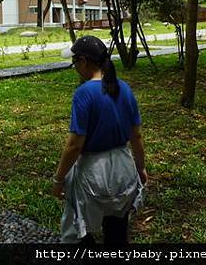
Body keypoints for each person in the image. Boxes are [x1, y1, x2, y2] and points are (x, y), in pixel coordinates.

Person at [52, 35, 147, 244]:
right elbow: (136, 136)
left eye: (75, 62)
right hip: (124, 167)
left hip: (94, 171)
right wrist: (140, 169)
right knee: (117, 229)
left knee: (78, 230)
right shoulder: (125, 88)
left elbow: (75, 144)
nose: (75, 67)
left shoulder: (84, 93)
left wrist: (58, 179)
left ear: (84, 61)